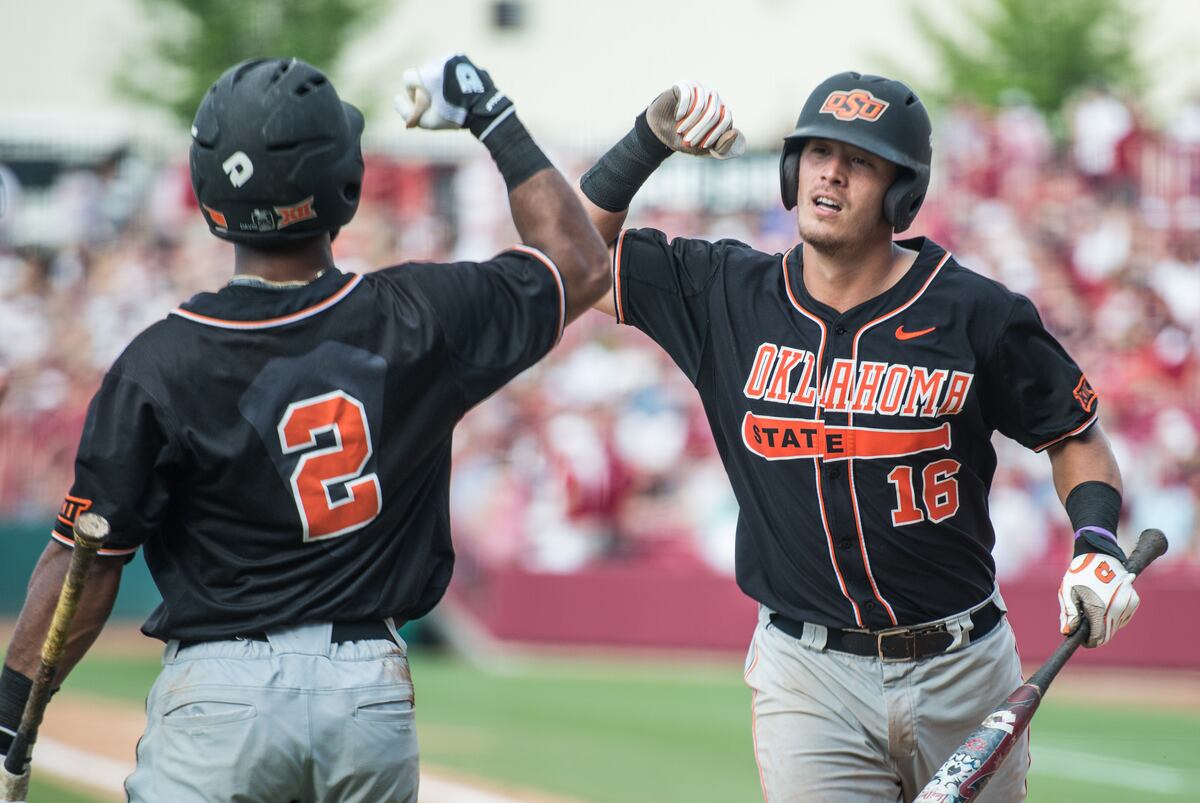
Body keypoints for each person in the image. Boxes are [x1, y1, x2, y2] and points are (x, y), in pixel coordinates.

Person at [0, 53, 608, 802]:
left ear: (208, 188)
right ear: (341, 185)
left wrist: (11, 718)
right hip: (366, 693)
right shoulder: (420, 313)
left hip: (218, 696)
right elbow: (580, 262)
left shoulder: (160, 359)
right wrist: (489, 112)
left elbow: (84, 566)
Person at [578, 72, 1140, 801]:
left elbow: (1075, 435)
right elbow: (567, 256)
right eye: (816, 153)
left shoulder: (975, 312)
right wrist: (646, 142)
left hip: (962, 665)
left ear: (902, 192)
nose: (830, 173)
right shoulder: (724, 291)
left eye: (860, 161)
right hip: (808, 674)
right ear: (791, 168)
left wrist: (1096, 542)